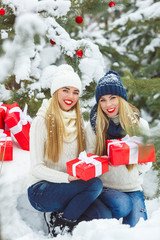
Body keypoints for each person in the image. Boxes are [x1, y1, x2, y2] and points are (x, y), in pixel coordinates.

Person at [27, 64, 107, 237]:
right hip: (41, 190)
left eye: (75, 92)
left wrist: (97, 160)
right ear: (56, 91)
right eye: (65, 90)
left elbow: (83, 157)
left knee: (103, 215)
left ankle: (63, 215)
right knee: (95, 185)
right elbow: (35, 167)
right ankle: (60, 227)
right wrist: (68, 178)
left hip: (70, 187)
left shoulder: (77, 121)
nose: (71, 96)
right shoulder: (41, 121)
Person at [85, 70, 152, 227]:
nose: (108, 105)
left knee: (139, 230)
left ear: (121, 98)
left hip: (133, 188)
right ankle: (94, 218)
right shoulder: (93, 127)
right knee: (122, 205)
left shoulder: (140, 125)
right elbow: (89, 162)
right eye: (103, 100)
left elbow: (146, 166)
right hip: (105, 189)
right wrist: (108, 159)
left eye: (113, 98)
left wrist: (137, 155)